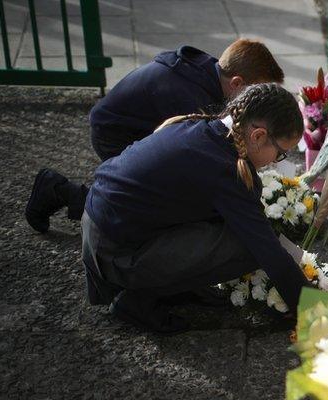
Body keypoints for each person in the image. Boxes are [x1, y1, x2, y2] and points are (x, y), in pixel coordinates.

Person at [81, 83, 308, 334]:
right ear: (258, 136)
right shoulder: (226, 169)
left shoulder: (204, 128)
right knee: (245, 247)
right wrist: (316, 312)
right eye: (280, 154)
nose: (276, 162)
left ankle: (177, 287)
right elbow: (266, 249)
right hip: (116, 253)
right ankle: (138, 298)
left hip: (105, 229)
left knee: (230, 226)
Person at [26, 38, 284, 233]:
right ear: (237, 83)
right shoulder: (191, 98)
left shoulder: (210, 72)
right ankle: (58, 191)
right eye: (255, 93)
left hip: (125, 123)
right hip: (114, 132)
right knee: (141, 199)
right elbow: (208, 157)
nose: (256, 103)